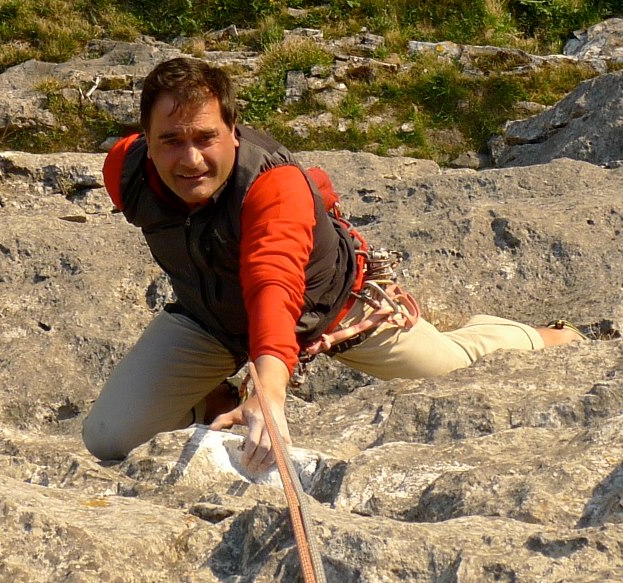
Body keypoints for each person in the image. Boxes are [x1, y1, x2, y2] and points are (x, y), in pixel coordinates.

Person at [82, 57, 581, 470]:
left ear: (234, 132)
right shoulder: (126, 172)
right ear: (145, 138)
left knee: (449, 367)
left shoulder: (272, 186)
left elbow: (273, 286)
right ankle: (214, 399)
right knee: (108, 436)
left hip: (331, 308)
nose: (189, 159)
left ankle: (534, 334)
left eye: (204, 138)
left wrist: (269, 395)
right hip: (210, 321)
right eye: (171, 140)